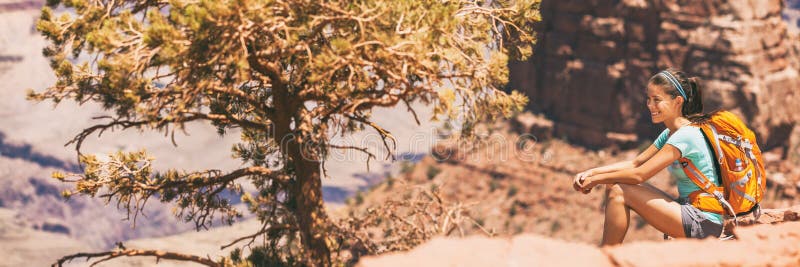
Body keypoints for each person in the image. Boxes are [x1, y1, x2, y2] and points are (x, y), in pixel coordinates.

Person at [573, 69, 723, 246]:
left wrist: (596, 180)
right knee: (615, 185)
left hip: (703, 222)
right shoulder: (670, 133)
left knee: (619, 191)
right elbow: (635, 163)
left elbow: (639, 175)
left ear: (678, 101)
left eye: (657, 100)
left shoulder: (686, 135)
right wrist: (590, 172)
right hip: (692, 213)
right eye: (649, 99)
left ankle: (607, 256)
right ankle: (608, 254)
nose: (650, 105)